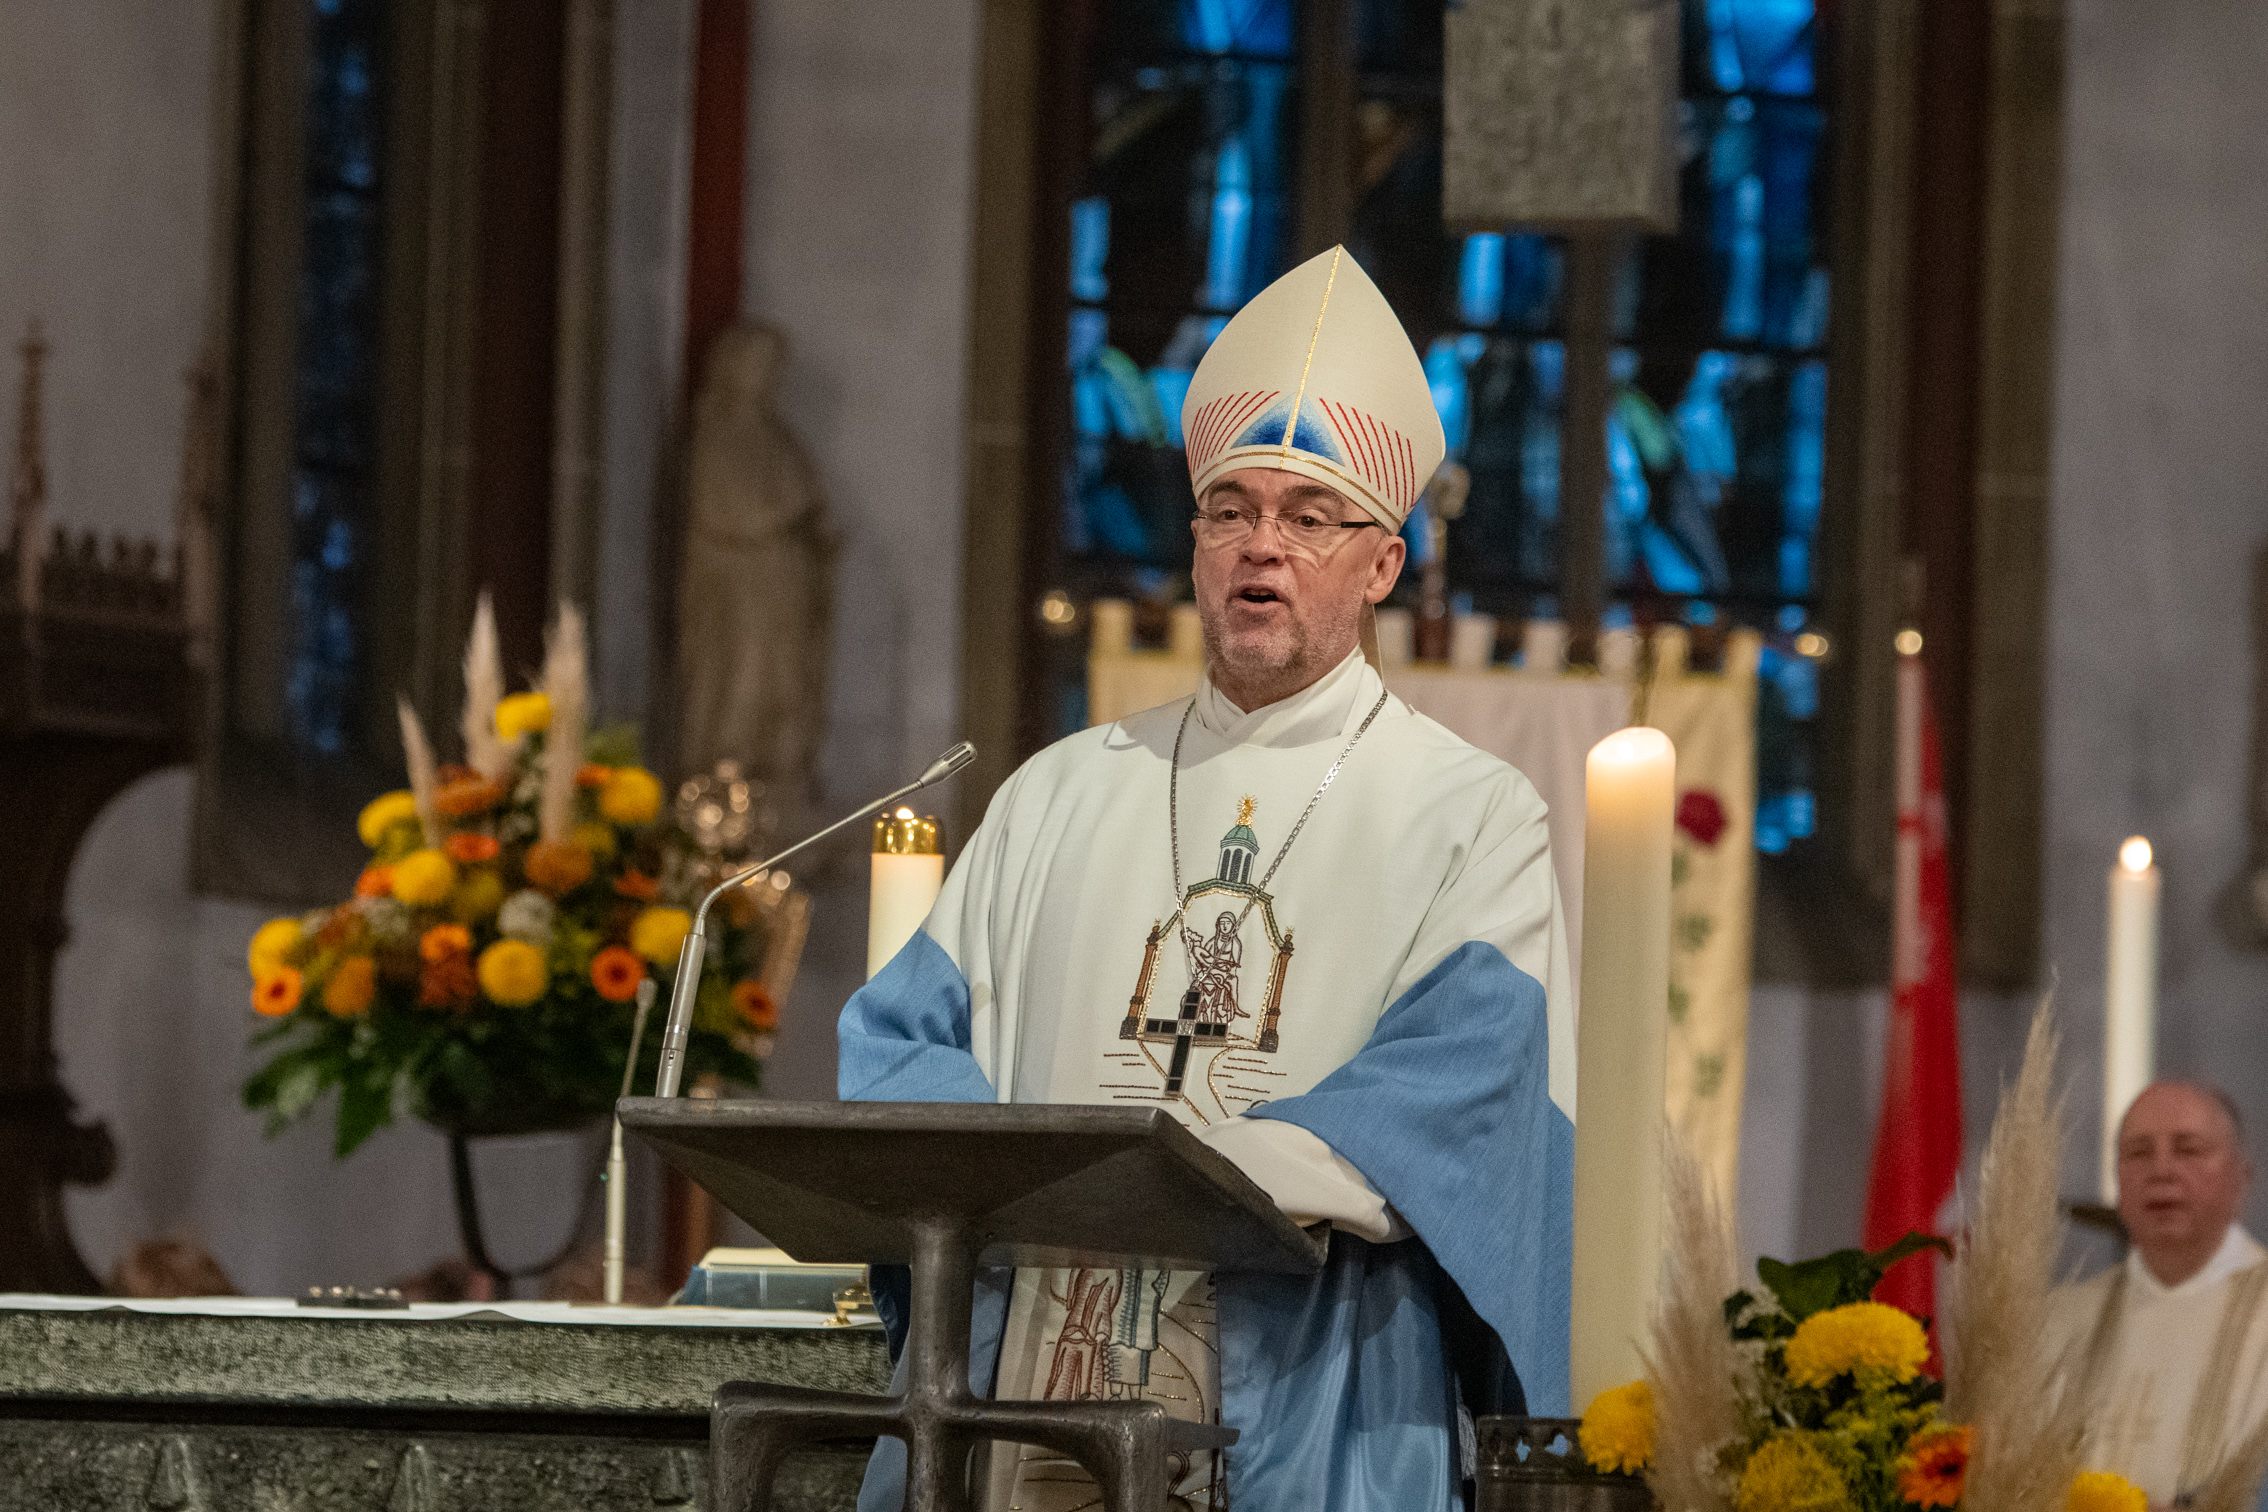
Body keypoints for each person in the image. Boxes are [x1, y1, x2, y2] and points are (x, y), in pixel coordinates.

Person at [837, 246, 1574, 1511]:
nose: (1261, 548)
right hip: (1033, 1365)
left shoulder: (1467, 814)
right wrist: (1041, 1182)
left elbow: (1464, 1087)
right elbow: (903, 1046)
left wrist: (1188, 1172)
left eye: (1306, 517)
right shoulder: (1058, 793)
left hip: (1313, 1370)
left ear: (1382, 564)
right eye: (1230, 510)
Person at [2053, 1081, 2268, 1506]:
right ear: (2118, 1179)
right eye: (2138, 1153)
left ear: (2242, 1175)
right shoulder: (2060, 1318)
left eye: (2188, 1150)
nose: (2161, 1171)